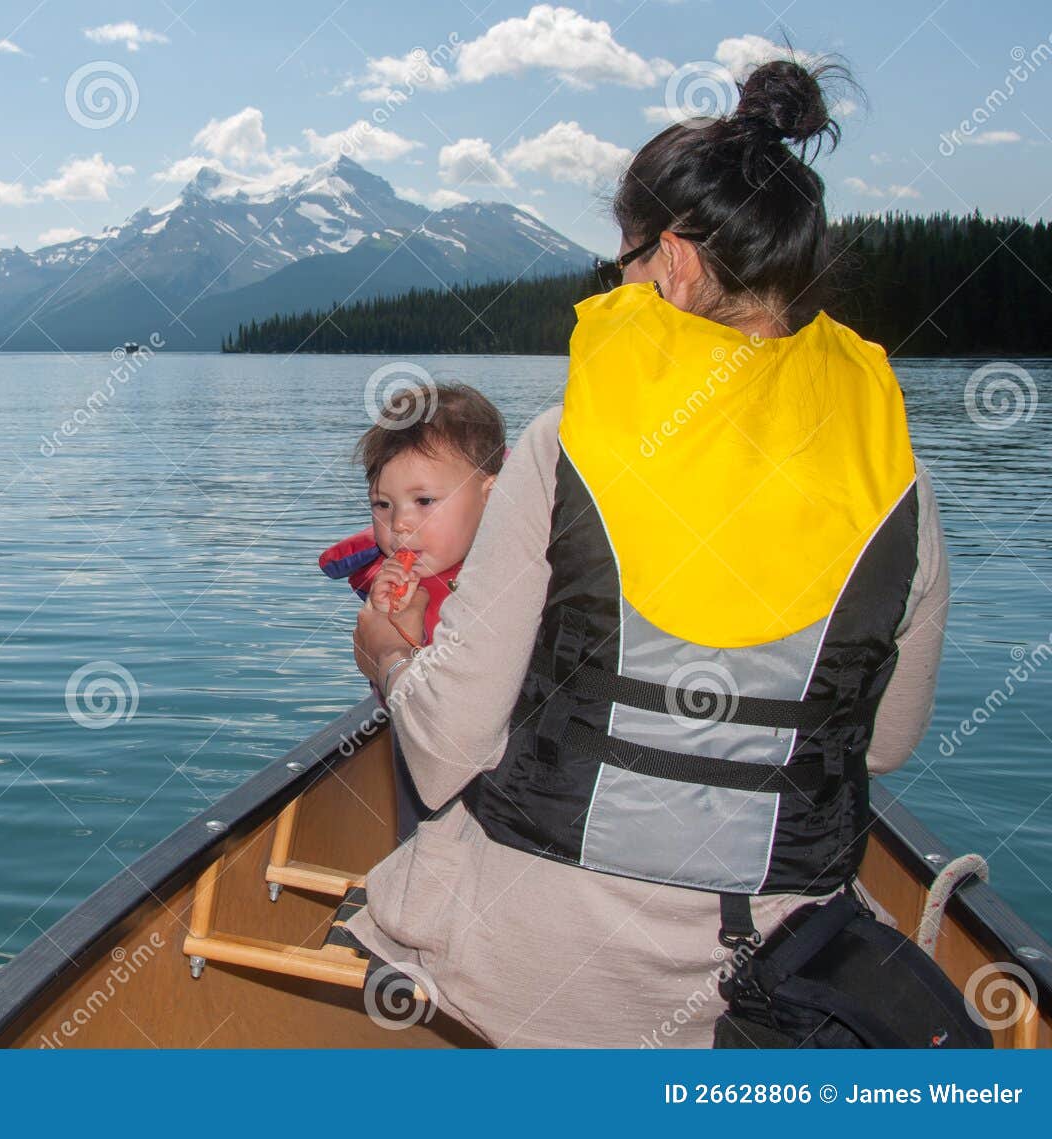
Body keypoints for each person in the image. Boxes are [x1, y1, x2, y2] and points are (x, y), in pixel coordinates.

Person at [346, 57, 949, 1047]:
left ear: (669, 262)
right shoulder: (903, 489)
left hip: (548, 959)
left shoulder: (560, 445)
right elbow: (879, 745)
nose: (617, 279)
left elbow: (448, 742)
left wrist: (387, 654)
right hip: (778, 961)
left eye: (620, 259)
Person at [319, 382, 506, 839]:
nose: (399, 523)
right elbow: (387, 689)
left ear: (491, 494)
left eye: (424, 501)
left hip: (498, 798)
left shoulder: (517, 580)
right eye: (382, 505)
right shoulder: (402, 584)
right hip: (424, 780)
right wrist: (396, 633)